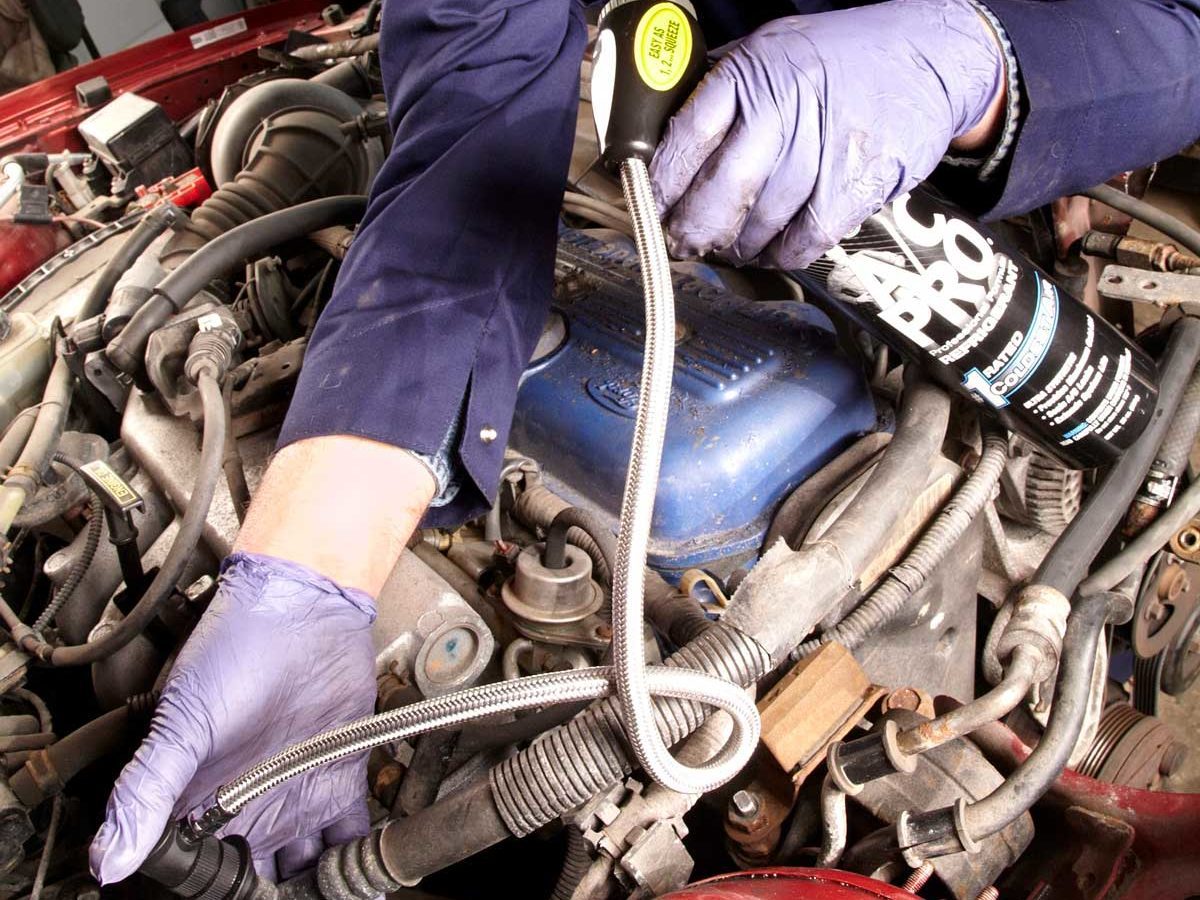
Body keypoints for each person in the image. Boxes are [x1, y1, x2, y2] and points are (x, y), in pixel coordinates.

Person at [89, 0, 1200, 885]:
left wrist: (981, 67)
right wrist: (313, 569)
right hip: (720, 119)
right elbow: (474, 96)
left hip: (1001, 121)